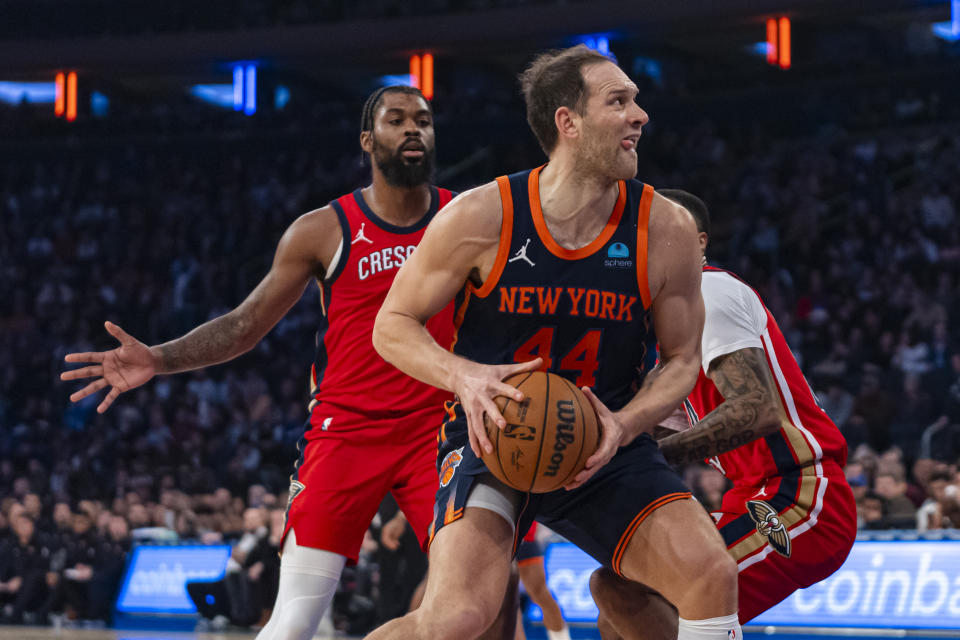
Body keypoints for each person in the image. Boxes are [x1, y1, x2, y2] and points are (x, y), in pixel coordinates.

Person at [366, 46, 740, 640]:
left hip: (605, 440)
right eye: (619, 101)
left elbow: (681, 361)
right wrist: (464, 376)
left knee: (710, 572)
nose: (640, 115)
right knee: (456, 619)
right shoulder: (483, 214)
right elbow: (392, 324)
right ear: (568, 122)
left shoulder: (664, 226)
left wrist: (625, 423)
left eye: (637, 100)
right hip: (495, 438)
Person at [62, 85, 458, 640]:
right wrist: (158, 358)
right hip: (345, 430)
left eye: (423, 120)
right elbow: (245, 325)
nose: (414, 128)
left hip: (437, 431)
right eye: (397, 120)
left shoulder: (464, 218)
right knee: (294, 619)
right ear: (369, 140)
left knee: (478, 605)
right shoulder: (323, 229)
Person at [588, 190, 856, 637]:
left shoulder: (708, 290)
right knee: (617, 604)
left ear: (699, 244)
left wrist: (655, 456)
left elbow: (757, 410)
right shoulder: (668, 345)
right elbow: (636, 432)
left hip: (803, 496)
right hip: (754, 495)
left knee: (629, 592)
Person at [514, 523, 569, 640]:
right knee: (507, 600)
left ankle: (561, 638)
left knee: (540, 594)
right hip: (499, 538)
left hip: (522, 537)